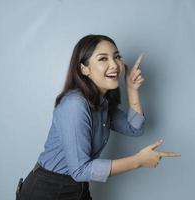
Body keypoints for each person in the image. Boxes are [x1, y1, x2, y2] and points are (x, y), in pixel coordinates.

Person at [16, 34, 181, 200]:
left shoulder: (102, 103)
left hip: (78, 186)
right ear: (84, 69)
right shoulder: (74, 105)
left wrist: (131, 89)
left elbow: (134, 129)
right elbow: (80, 170)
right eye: (103, 59)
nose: (114, 65)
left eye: (116, 57)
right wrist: (138, 161)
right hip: (47, 190)